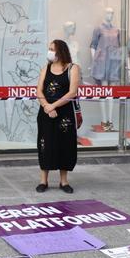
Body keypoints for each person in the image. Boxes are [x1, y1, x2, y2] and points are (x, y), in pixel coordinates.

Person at [35, 40, 80, 193]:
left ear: (60, 51)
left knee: (65, 145)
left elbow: (72, 92)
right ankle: (43, 180)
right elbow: (39, 91)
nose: (50, 52)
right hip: (46, 112)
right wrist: (47, 106)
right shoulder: (45, 68)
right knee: (45, 145)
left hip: (64, 114)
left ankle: (64, 181)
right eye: (49, 49)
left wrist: (53, 106)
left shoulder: (72, 68)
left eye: (52, 49)